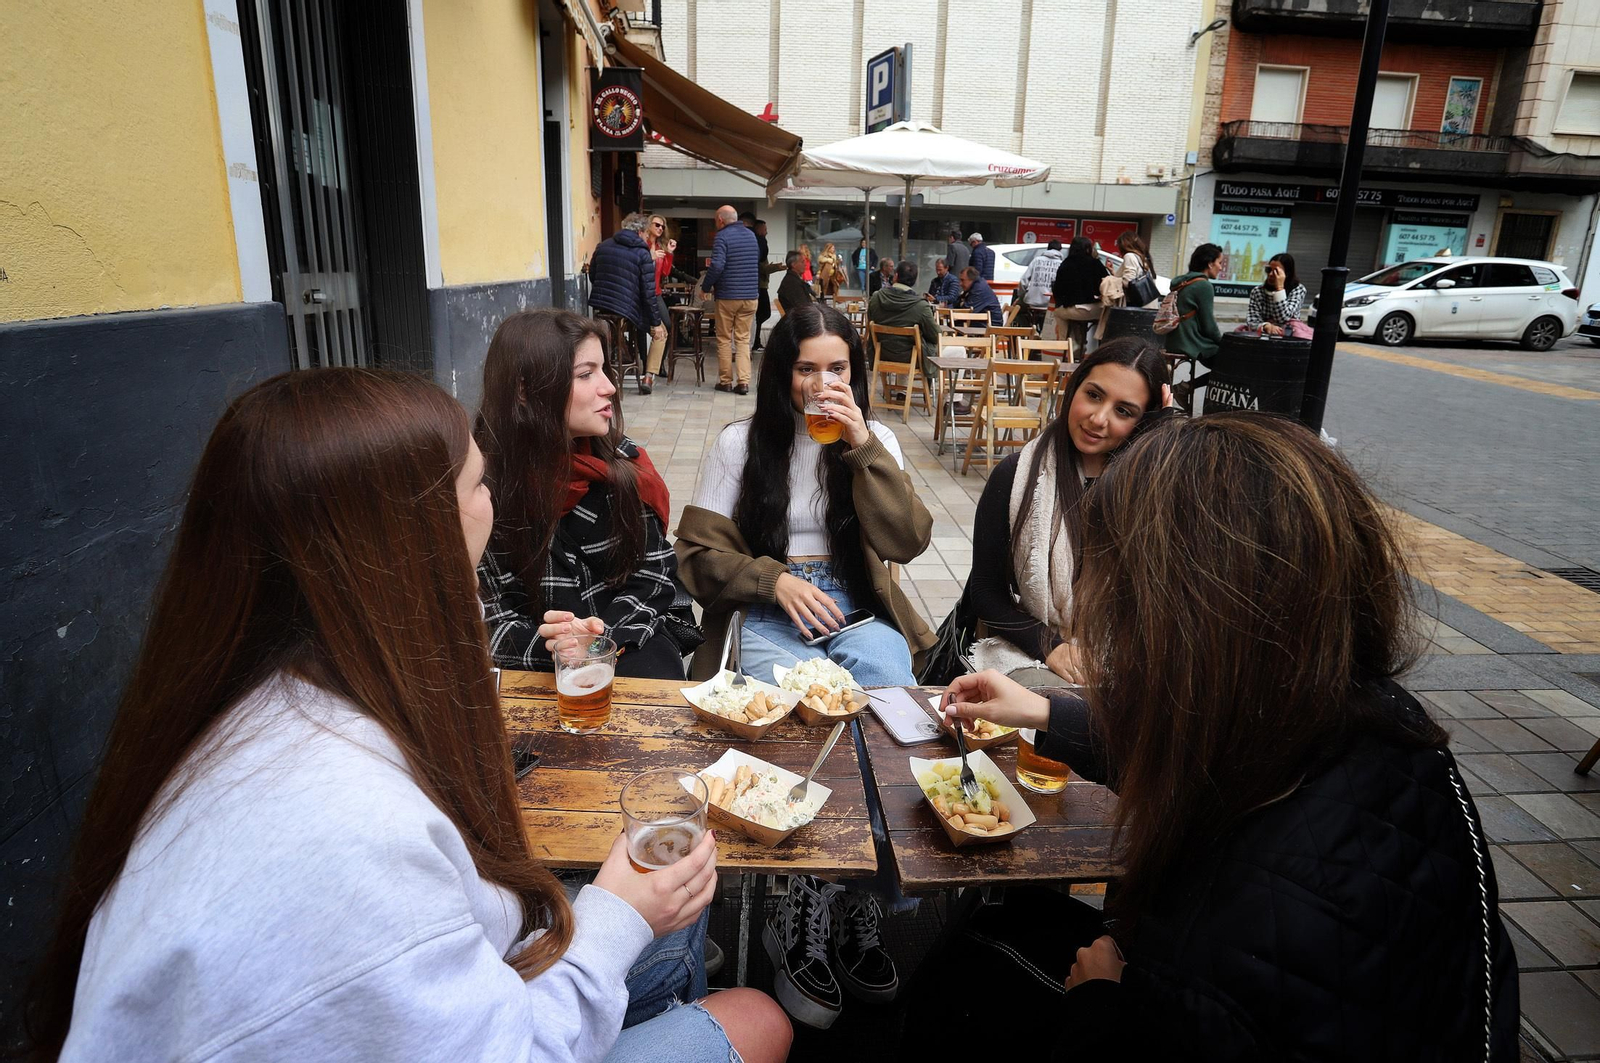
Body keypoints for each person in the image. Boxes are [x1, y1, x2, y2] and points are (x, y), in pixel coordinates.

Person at [30, 368, 792, 1063]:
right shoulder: (350, 832)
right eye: (477, 483)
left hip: (454, 980)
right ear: (408, 543)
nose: (606, 391)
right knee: (758, 1015)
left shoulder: (244, 704)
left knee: (676, 917)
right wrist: (615, 916)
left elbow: (655, 577)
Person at [939, 413, 1518, 1060]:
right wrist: (1047, 713)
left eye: (1116, 589)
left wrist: (1103, 1003)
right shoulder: (1362, 717)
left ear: (1183, 619)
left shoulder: (1252, 925)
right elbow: (1208, 748)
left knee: (972, 962)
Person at [676, 304, 935, 1029]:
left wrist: (861, 447)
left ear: (855, 373)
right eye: (806, 368)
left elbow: (908, 541)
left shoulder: (873, 437)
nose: (822, 383)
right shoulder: (740, 442)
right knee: (810, 715)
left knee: (893, 711)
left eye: (837, 369)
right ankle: (804, 900)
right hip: (769, 605)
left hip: (856, 600)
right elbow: (695, 558)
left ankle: (853, 897)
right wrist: (774, 579)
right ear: (782, 373)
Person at [475, 309, 702, 680]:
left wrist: (600, 641)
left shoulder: (621, 466)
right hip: (530, 657)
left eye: (603, 369)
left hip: (627, 640)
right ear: (523, 390)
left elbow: (655, 573)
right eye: (585, 374)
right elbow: (481, 615)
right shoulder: (482, 487)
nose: (609, 386)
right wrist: (555, 646)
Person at [964, 339, 1170, 683]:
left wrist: (1161, 443)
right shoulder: (1016, 476)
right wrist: (1051, 645)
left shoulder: (1153, 489)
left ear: (1144, 421)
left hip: (1128, 650)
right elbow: (985, 592)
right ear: (1074, 387)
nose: (1098, 418)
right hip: (1030, 651)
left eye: (1124, 411)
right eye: (1093, 395)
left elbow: (1167, 596)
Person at [588, 213, 665, 394]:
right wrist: (655, 323)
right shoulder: (642, 253)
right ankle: (648, 376)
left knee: (610, 333)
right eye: (647, 233)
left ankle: (608, 368)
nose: (647, 236)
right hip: (628, 308)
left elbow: (593, 275)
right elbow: (648, 292)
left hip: (602, 306)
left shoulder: (603, 246)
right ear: (640, 232)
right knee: (662, 333)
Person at [700, 204, 761, 395]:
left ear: (720, 220)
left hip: (728, 296)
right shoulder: (751, 236)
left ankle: (725, 381)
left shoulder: (722, 236)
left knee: (725, 339)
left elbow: (717, 265)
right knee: (743, 340)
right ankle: (743, 382)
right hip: (750, 296)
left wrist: (705, 286)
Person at [866, 259, 941, 391]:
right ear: (915, 280)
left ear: (896, 276)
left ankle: (901, 390)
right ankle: (952, 401)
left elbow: (870, 321)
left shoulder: (876, 298)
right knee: (958, 351)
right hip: (910, 357)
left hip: (882, 354)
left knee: (906, 344)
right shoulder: (920, 306)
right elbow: (936, 336)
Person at [1166, 243, 1225, 409]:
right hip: (1189, 341)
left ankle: (1184, 387)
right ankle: (1186, 387)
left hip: (1174, 339)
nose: (1220, 267)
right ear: (1210, 263)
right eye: (1219, 262)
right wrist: (1223, 342)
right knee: (1232, 363)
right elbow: (1208, 326)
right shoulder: (1203, 285)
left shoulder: (1184, 281)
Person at [1051, 236, 1109, 354]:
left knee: (1058, 313)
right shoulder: (1096, 263)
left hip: (1076, 310)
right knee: (1085, 319)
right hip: (1097, 310)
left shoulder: (1066, 265)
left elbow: (1057, 290)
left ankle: (1070, 344)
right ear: (1089, 248)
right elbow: (1106, 283)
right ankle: (1094, 349)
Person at [641, 214, 674, 392]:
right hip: (642, 294)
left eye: (662, 226)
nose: (660, 228)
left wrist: (669, 253)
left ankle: (658, 363)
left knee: (667, 325)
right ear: (648, 225)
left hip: (656, 293)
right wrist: (650, 257)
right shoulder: (642, 245)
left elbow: (665, 273)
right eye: (657, 225)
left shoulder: (660, 245)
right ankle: (646, 366)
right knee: (643, 328)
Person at [1245, 252, 1307, 335]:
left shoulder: (1298, 290)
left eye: (1276, 272)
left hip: (1289, 337)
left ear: (1287, 274)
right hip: (1262, 336)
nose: (1271, 274)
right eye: (1268, 270)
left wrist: (1280, 288)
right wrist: (1266, 326)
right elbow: (1252, 320)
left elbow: (1283, 318)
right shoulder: (1258, 291)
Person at [742, 214, 773, 354]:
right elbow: (759, 265)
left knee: (759, 314)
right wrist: (772, 268)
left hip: (757, 284)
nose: (766, 232)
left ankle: (754, 341)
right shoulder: (759, 241)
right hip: (757, 285)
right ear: (759, 229)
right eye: (764, 229)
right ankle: (753, 342)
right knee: (761, 312)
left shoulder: (754, 241)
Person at [1017, 240, 1064, 332]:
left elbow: (1023, 281)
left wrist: (1021, 296)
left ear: (1048, 248)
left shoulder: (1036, 260)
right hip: (1051, 304)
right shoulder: (1061, 264)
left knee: (1018, 310)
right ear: (1060, 250)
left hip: (1032, 301)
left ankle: (1027, 331)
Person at [1115, 229, 1158, 308]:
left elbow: (1128, 281)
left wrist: (1111, 280)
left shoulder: (1129, 256)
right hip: (1149, 305)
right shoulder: (1143, 257)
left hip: (1136, 306)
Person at [777, 249, 815, 315]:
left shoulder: (794, 279)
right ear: (794, 265)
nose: (805, 264)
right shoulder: (791, 283)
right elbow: (803, 307)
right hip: (799, 321)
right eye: (802, 262)